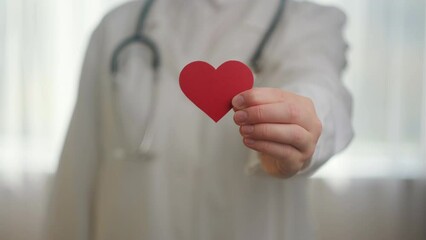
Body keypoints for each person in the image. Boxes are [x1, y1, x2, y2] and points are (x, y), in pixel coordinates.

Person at [47, 0, 353, 239]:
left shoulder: (307, 23)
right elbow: (78, 168)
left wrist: (302, 125)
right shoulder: (116, 29)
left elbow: (323, 90)